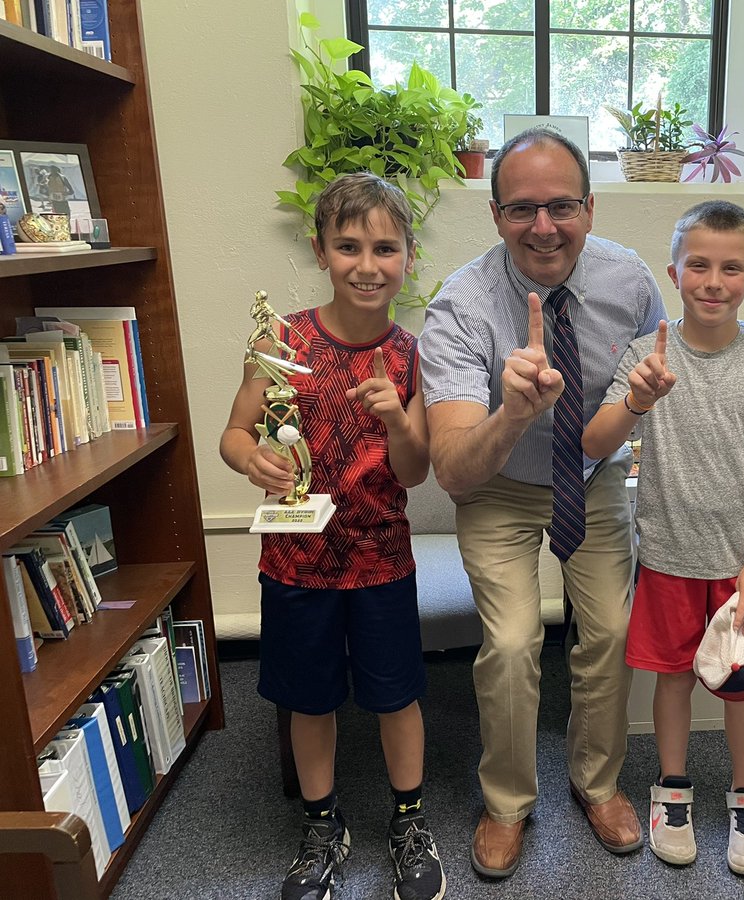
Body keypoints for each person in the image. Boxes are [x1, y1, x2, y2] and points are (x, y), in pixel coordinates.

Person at [419, 126, 666, 879]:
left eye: (562, 206)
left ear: (590, 208)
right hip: (495, 488)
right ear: (495, 216)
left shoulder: (629, 283)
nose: (544, 227)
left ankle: (596, 784)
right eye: (522, 209)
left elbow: (654, 382)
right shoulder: (459, 307)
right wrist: (514, 413)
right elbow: (455, 472)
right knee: (514, 644)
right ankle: (506, 804)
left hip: (591, 476)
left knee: (612, 631)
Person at [219, 172, 445, 900]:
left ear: (408, 255)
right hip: (296, 560)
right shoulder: (280, 340)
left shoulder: (411, 355)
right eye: (348, 246)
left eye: (384, 247)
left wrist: (399, 419)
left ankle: (408, 820)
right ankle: (323, 823)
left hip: (381, 558)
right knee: (309, 700)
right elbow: (233, 431)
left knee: (396, 695)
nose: (367, 264)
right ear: (320, 251)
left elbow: (413, 471)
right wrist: (249, 456)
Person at [582, 200, 744, 876]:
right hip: (666, 561)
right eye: (699, 265)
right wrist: (636, 398)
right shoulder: (644, 355)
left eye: (731, 267)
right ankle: (673, 789)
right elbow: (594, 443)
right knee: (673, 682)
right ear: (674, 271)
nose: (713, 280)